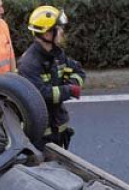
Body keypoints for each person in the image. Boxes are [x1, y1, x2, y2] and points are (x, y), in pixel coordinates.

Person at [18, 6, 86, 149]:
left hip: (58, 126)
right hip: (40, 133)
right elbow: (41, 94)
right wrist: (69, 90)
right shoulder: (30, 63)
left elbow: (78, 71)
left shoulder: (57, 54)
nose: (62, 31)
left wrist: (72, 83)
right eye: (58, 28)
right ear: (47, 34)